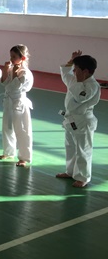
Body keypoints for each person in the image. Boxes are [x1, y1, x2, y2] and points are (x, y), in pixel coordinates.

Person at [56, 51, 100, 188]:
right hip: (70, 120)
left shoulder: (92, 86)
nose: (73, 71)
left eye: (76, 69)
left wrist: (75, 81)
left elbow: (80, 97)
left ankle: (83, 177)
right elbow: (65, 74)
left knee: (83, 149)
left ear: (85, 71)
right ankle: (70, 171)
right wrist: (71, 61)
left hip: (83, 122)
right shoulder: (76, 80)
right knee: (70, 147)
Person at [0, 44, 34, 167]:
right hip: (8, 102)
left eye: (14, 57)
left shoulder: (25, 73)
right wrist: (5, 69)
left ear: (22, 58)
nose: (11, 59)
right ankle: (8, 152)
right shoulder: (11, 69)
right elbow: (4, 83)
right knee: (7, 128)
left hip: (19, 103)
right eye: (10, 56)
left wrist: (14, 72)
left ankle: (24, 157)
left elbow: (15, 86)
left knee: (22, 130)